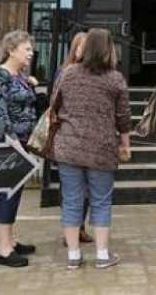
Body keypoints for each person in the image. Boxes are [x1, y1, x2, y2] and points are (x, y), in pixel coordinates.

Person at [51, 28, 131, 269]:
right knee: (101, 201)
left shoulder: (69, 73)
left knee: (71, 201)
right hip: (102, 148)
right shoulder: (115, 79)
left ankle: (74, 255)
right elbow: (123, 117)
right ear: (108, 49)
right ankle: (102, 254)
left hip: (69, 146)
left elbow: (53, 103)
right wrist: (125, 144)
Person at [0, 30, 39, 267]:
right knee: (8, 192)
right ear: (11, 50)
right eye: (26, 49)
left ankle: (11, 239)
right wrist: (13, 141)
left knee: (15, 192)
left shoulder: (20, 76)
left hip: (24, 140)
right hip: (8, 142)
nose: (31, 53)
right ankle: (4, 248)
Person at [57, 32, 92, 245]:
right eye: (81, 47)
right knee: (71, 189)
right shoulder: (64, 72)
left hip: (89, 139)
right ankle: (70, 229)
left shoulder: (96, 75)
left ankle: (80, 225)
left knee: (88, 188)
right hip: (69, 137)